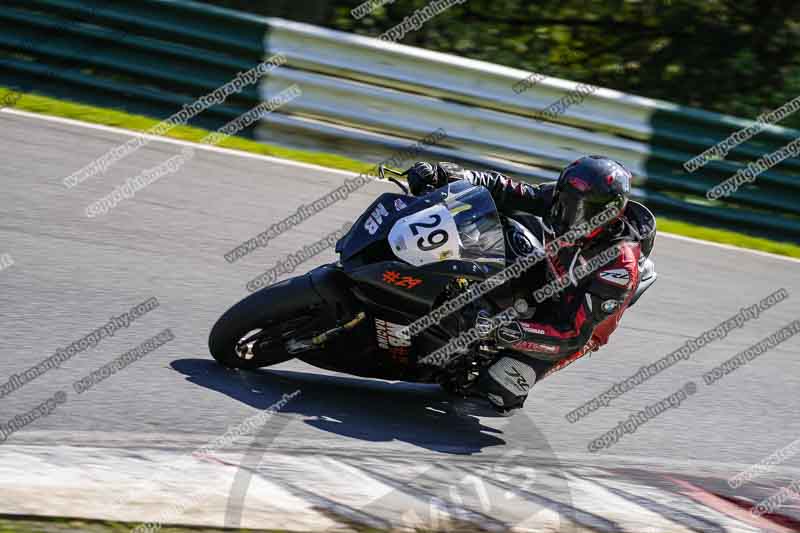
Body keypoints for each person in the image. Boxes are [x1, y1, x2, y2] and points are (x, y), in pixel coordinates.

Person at [404, 156, 657, 414]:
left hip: (571, 324)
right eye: (567, 202)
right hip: (546, 270)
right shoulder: (560, 200)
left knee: (498, 387)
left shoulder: (618, 268)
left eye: (583, 210)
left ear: (608, 215)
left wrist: (500, 330)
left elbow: (571, 335)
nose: (569, 214)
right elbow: (504, 188)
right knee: (494, 223)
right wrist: (449, 175)